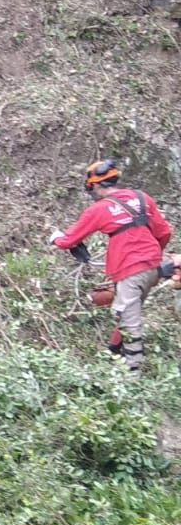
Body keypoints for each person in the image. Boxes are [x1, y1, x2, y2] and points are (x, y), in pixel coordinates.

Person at [51, 158, 172, 375]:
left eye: (92, 189)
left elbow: (69, 240)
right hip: (152, 269)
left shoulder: (100, 209)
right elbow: (164, 233)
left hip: (130, 270)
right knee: (124, 311)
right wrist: (152, 259)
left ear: (96, 186)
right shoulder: (142, 199)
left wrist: (56, 239)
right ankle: (114, 350)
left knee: (129, 320)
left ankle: (132, 377)